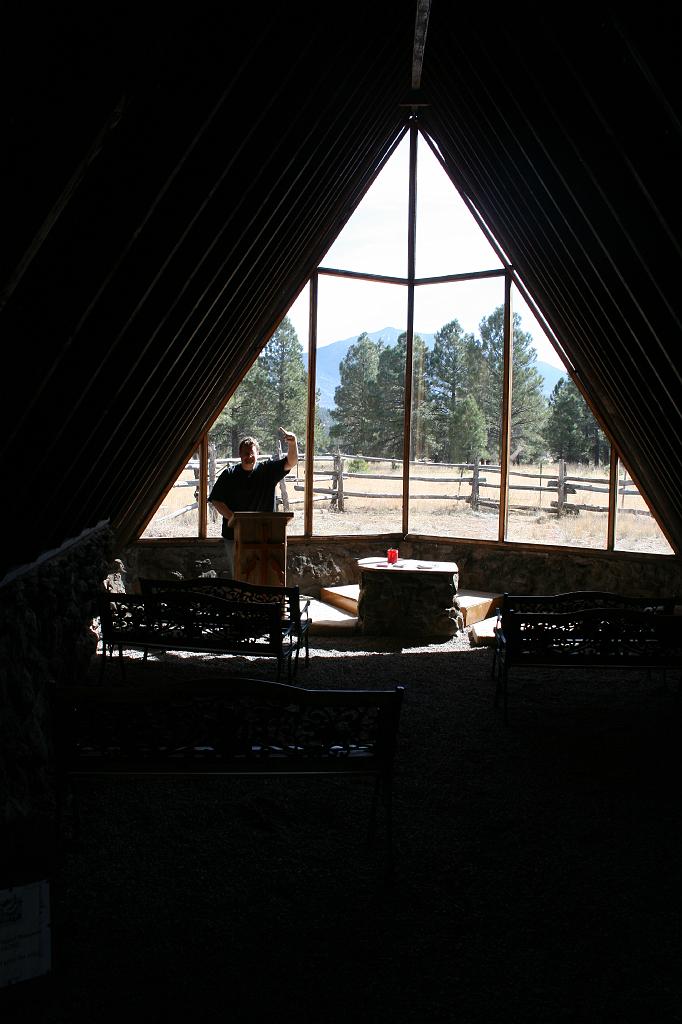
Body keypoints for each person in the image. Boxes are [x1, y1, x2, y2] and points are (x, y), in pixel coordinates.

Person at [208, 427, 299, 576]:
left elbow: (291, 462)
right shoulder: (229, 474)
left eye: (252, 452)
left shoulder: (267, 471)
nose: (249, 456)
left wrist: (293, 442)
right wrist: (234, 519)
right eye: (245, 453)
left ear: (258, 454)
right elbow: (216, 500)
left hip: (265, 534)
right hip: (234, 535)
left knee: (266, 574)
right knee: (239, 574)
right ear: (240, 454)